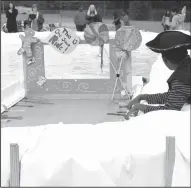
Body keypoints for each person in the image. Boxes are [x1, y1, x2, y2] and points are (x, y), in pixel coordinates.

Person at [119, 31, 191, 119]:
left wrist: (142, 107)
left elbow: (171, 109)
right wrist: (143, 97)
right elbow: (174, 95)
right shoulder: (187, 67)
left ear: (165, 60)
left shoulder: (182, 78)